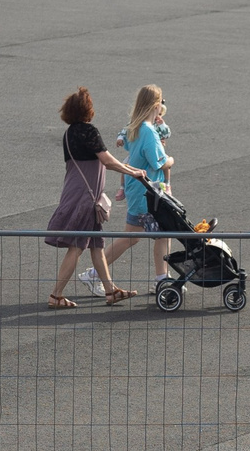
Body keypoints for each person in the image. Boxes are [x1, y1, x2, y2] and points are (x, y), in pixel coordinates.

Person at [46, 88, 149, 307]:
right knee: (77, 246)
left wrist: (130, 169)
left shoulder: (70, 133)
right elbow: (108, 161)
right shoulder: (88, 131)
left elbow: (107, 161)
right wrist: (133, 172)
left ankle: (111, 291)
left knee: (96, 245)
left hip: (75, 193)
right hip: (86, 198)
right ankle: (56, 295)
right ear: (88, 110)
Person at [96, 85, 176, 303]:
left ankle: (95, 273)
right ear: (156, 105)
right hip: (148, 193)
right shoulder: (149, 131)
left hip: (136, 189)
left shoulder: (135, 127)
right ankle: (160, 279)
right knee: (151, 234)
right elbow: (158, 161)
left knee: (138, 235)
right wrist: (171, 160)